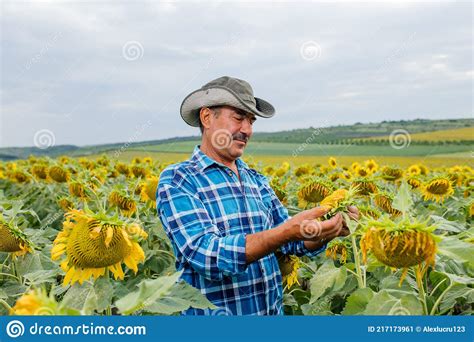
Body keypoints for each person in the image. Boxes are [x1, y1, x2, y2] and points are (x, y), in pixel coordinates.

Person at [156, 76, 358, 315]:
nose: (247, 130)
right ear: (207, 117)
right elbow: (206, 255)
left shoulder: (255, 180)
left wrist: (325, 230)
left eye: (251, 121)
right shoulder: (180, 180)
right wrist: (286, 231)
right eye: (239, 118)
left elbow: (291, 242)